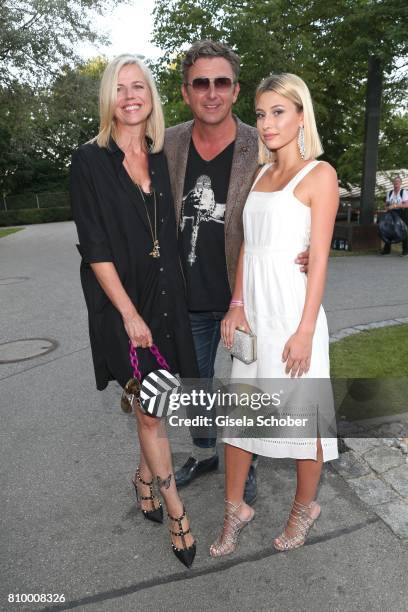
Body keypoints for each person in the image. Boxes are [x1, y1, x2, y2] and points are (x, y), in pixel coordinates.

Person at [164, 41, 310, 502]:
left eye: (221, 82)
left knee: (248, 384)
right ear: (186, 91)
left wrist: (307, 243)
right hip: (186, 295)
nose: (211, 93)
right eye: (200, 83)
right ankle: (208, 451)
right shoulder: (167, 143)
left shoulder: (261, 140)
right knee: (196, 384)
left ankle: (241, 457)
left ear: (235, 89)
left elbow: (296, 191)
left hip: (246, 298)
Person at [70, 55, 198, 568]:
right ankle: (177, 514)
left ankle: (144, 477)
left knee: (157, 406)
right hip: (120, 305)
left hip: (165, 300)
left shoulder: (164, 156)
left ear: (151, 96)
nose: (129, 95)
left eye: (138, 86)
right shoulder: (89, 161)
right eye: (119, 87)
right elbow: (95, 246)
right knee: (151, 411)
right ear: (109, 98)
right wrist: (127, 313)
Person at [209, 73, 339, 557]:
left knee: (304, 421)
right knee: (240, 418)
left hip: (293, 314)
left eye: (278, 112)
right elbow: (249, 246)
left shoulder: (319, 175)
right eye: (261, 114)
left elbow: (320, 258)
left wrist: (305, 330)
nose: (267, 123)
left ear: (301, 115)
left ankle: (305, 508)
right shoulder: (261, 175)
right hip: (255, 316)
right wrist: (236, 305)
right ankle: (235, 509)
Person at [380, 175, 408, 256]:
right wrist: (386, 207)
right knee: (388, 230)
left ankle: (406, 250)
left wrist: (395, 206)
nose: (396, 183)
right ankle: (387, 249)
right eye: (395, 182)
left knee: (403, 231)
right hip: (392, 213)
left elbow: (406, 205)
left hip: (402, 213)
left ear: (400, 183)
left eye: (398, 182)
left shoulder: (404, 192)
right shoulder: (390, 192)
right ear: (393, 183)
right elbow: (387, 204)